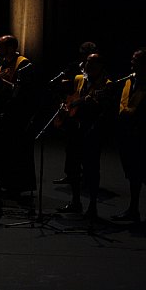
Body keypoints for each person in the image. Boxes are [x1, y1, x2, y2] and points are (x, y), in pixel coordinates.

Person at [111, 48, 146, 228]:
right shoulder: (130, 79)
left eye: (136, 60)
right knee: (133, 174)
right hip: (129, 135)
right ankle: (133, 209)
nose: (132, 63)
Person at [57, 53, 113, 219]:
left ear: (100, 66)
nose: (87, 65)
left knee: (91, 168)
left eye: (92, 62)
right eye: (87, 62)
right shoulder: (79, 78)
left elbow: (107, 109)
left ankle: (93, 205)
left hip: (92, 129)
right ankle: (75, 201)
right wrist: (66, 105)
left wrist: (93, 103)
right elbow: (71, 96)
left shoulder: (106, 85)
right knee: (73, 166)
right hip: (75, 128)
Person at [0, 34, 37, 195]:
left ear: (11, 48)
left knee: (13, 152)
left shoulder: (24, 65)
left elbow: (22, 92)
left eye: (1, 46)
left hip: (16, 115)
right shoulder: (0, 62)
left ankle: (14, 188)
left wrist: (2, 82)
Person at [52, 41, 99, 184]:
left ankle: (86, 177)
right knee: (70, 146)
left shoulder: (98, 72)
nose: (85, 59)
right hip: (73, 109)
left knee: (85, 149)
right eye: (84, 56)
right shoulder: (76, 68)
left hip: (87, 113)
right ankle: (71, 174)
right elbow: (66, 86)